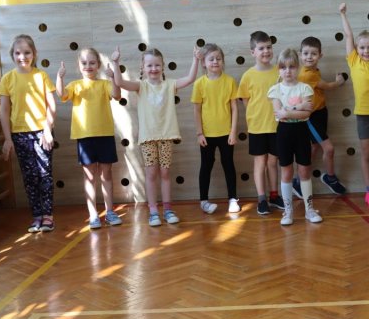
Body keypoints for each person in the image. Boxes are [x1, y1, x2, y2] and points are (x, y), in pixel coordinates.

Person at [111, 46, 199, 226]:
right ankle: (153, 211)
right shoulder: (141, 86)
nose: (153, 69)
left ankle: (167, 209)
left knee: (165, 173)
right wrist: (115, 62)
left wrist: (196, 59)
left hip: (166, 136)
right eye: (149, 65)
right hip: (148, 138)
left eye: (157, 65)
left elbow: (190, 78)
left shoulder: (169, 85)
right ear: (143, 67)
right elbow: (119, 82)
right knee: (151, 173)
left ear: (163, 66)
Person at [56, 48, 122, 229]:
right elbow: (62, 94)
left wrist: (112, 77)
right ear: (79, 65)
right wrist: (60, 78)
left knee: (106, 174)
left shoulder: (104, 84)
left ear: (98, 65)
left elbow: (117, 95)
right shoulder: (75, 85)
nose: (88, 66)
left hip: (105, 136)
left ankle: (110, 212)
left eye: (92, 62)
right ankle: (93, 214)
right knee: (90, 176)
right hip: (85, 137)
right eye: (84, 63)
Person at [0, 34, 57, 233]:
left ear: (34, 54)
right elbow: (4, 111)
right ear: (12, 55)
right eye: (18, 53)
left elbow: (51, 106)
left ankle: (48, 216)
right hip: (20, 135)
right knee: (30, 176)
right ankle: (37, 216)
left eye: (26, 52)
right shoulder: (7, 79)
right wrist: (8, 139)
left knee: (44, 174)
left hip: (42, 132)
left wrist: (47, 130)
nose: (22, 56)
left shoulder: (41, 76)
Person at [339, 3, 369, 206]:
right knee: (367, 153)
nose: (366, 51)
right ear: (356, 49)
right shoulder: (353, 61)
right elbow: (348, 35)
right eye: (362, 47)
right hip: (364, 115)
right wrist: (343, 14)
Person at [268, 48, 322, 225]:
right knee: (286, 171)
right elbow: (280, 115)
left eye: (291, 67)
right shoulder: (275, 90)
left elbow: (306, 113)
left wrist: (290, 110)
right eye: (283, 67)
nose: (287, 71)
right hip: (284, 133)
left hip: (301, 132)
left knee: (304, 170)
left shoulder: (305, 88)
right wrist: (298, 108)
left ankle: (309, 209)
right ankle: (288, 211)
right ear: (278, 69)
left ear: (297, 68)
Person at [292, 36, 346, 197]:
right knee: (329, 148)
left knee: (313, 148)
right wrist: (339, 81)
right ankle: (330, 178)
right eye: (306, 53)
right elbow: (327, 86)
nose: (309, 57)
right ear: (300, 55)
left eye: (313, 54)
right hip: (312, 117)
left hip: (321, 113)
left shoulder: (314, 71)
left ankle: (298, 181)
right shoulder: (308, 75)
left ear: (320, 55)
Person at [237, 31, 285, 215]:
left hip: (277, 125)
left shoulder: (279, 72)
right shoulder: (248, 76)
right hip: (257, 127)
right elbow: (245, 100)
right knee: (260, 162)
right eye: (261, 48)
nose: (266, 51)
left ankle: (274, 195)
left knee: (273, 162)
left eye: (269, 47)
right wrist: (256, 116)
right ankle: (261, 199)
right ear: (253, 52)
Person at [191, 44, 240, 214]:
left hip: (226, 133)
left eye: (218, 58)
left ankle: (233, 199)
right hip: (207, 134)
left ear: (223, 61)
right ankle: (204, 201)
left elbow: (234, 108)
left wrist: (233, 131)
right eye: (211, 59)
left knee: (228, 164)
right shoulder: (199, 84)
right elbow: (197, 110)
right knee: (206, 165)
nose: (215, 62)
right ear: (203, 63)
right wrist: (199, 133)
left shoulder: (230, 81)